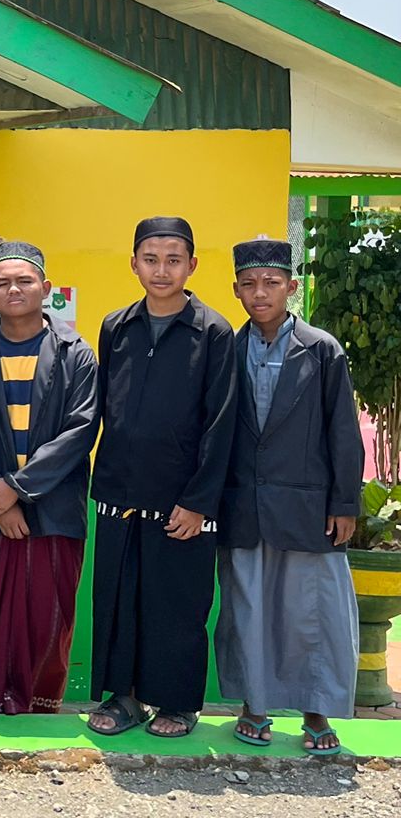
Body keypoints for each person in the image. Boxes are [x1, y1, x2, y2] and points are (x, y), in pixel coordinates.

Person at [88, 216, 238, 738]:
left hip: (182, 500)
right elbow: (105, 405)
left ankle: (177, 702)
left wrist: (200, 501)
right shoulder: (116, 326)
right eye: (150, 259)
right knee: (119, 597)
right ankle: (124, 698)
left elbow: (222, 422)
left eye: (173, 259)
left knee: (177, 604)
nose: (161, 270)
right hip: (120, 493)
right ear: (134, 264)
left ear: (192, 265)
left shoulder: (213, 331)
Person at [216, 237, 361, 755]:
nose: (261, 293)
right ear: (236, 290)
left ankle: (315, 711)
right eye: (250, 284)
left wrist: (345, 503)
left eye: (272, 283)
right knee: (248, 607)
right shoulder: (224, 349)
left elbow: (343, 431)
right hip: (243, 505)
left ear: (291, 288)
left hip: (308, 507)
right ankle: (254, 705)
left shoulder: (322, 349)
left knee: (310, 612)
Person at [0, 240, 99, 715]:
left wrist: (16, 489)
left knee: (46, 614)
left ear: (46, 288)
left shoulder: (76, 353)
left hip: (53, 508)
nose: (14, 289)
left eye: (24, 280)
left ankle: (39, 703)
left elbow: (81, 430)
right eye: (2, 283)